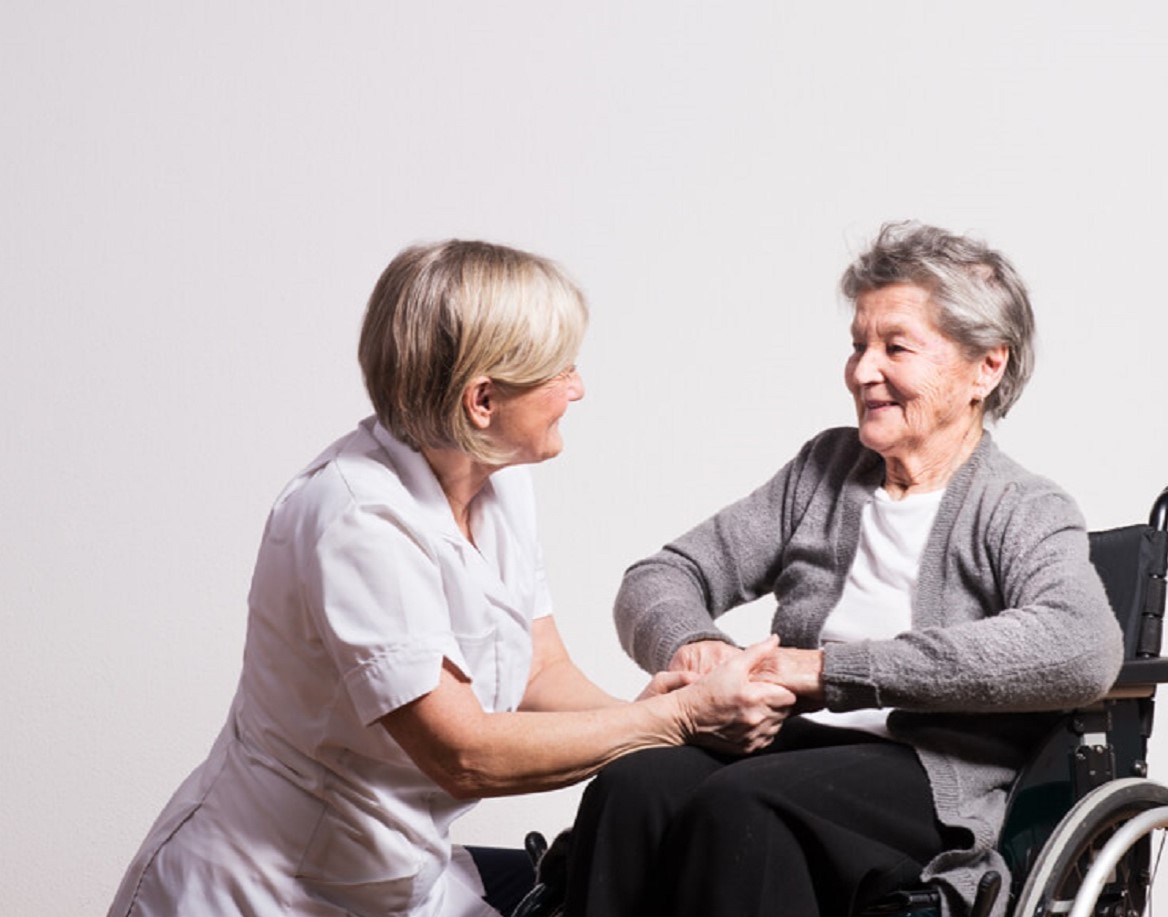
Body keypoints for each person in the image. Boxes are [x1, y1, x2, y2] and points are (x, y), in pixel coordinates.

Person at [107, 240, 795, 917]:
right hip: (264, 890)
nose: (577, 388)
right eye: (560, 370)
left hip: (397, 879)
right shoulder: (357, 518)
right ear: (483, 400)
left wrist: (653, 704)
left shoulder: (499, 486)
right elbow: (462, 753)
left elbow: (538, 670)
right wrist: (671, 720)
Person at [564, 222, 1125, 917]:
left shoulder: (1021, 505)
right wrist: (694, 647)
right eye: (858, 344)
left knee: (742, 807)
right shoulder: (823, 473)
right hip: (790, 746)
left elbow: (1083, 644)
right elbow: (661, 574)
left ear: (986, 367)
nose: (862, 369)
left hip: (925, 775)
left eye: (895, 346)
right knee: (634, 785)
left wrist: (826, 671)